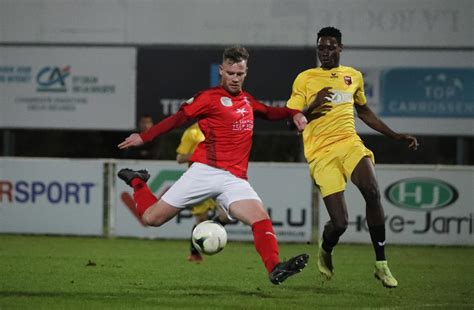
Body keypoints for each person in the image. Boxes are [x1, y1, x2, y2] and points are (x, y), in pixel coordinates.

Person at [117, 45, 309, 285]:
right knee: (151, 219)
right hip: (205, 171)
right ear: (221, 70)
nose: (235, 79)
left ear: (246, 72)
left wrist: (294, 113)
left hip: (234, 179)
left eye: (240, 74)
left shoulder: (247, 101)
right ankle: (137, 181)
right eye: (230, 73)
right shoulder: (208, 98)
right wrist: (144, 137)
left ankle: (274, 268)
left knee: (260, 218)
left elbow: (270, 112)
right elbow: (178, 119)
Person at [286, 27, 419, 288]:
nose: (325, 52)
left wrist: (394, 135)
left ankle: (381, 265)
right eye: (321, 48)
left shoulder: (353, 76)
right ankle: (326, 247)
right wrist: (312, 106)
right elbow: (292, 123)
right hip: (321, 153)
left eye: (330, 47)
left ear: (340, 48)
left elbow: (364, 111)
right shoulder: (305, 78)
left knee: (372, 190)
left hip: (349, 143)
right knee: (340, 223)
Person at [176, 122, 229, 262]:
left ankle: (212, 235)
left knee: (227, 214)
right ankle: (195, 253)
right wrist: (200, 154)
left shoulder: (219, 127)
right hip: (199, 181)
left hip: (218, 178)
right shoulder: (192, 132)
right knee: (201, 220)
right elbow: (180, 158)